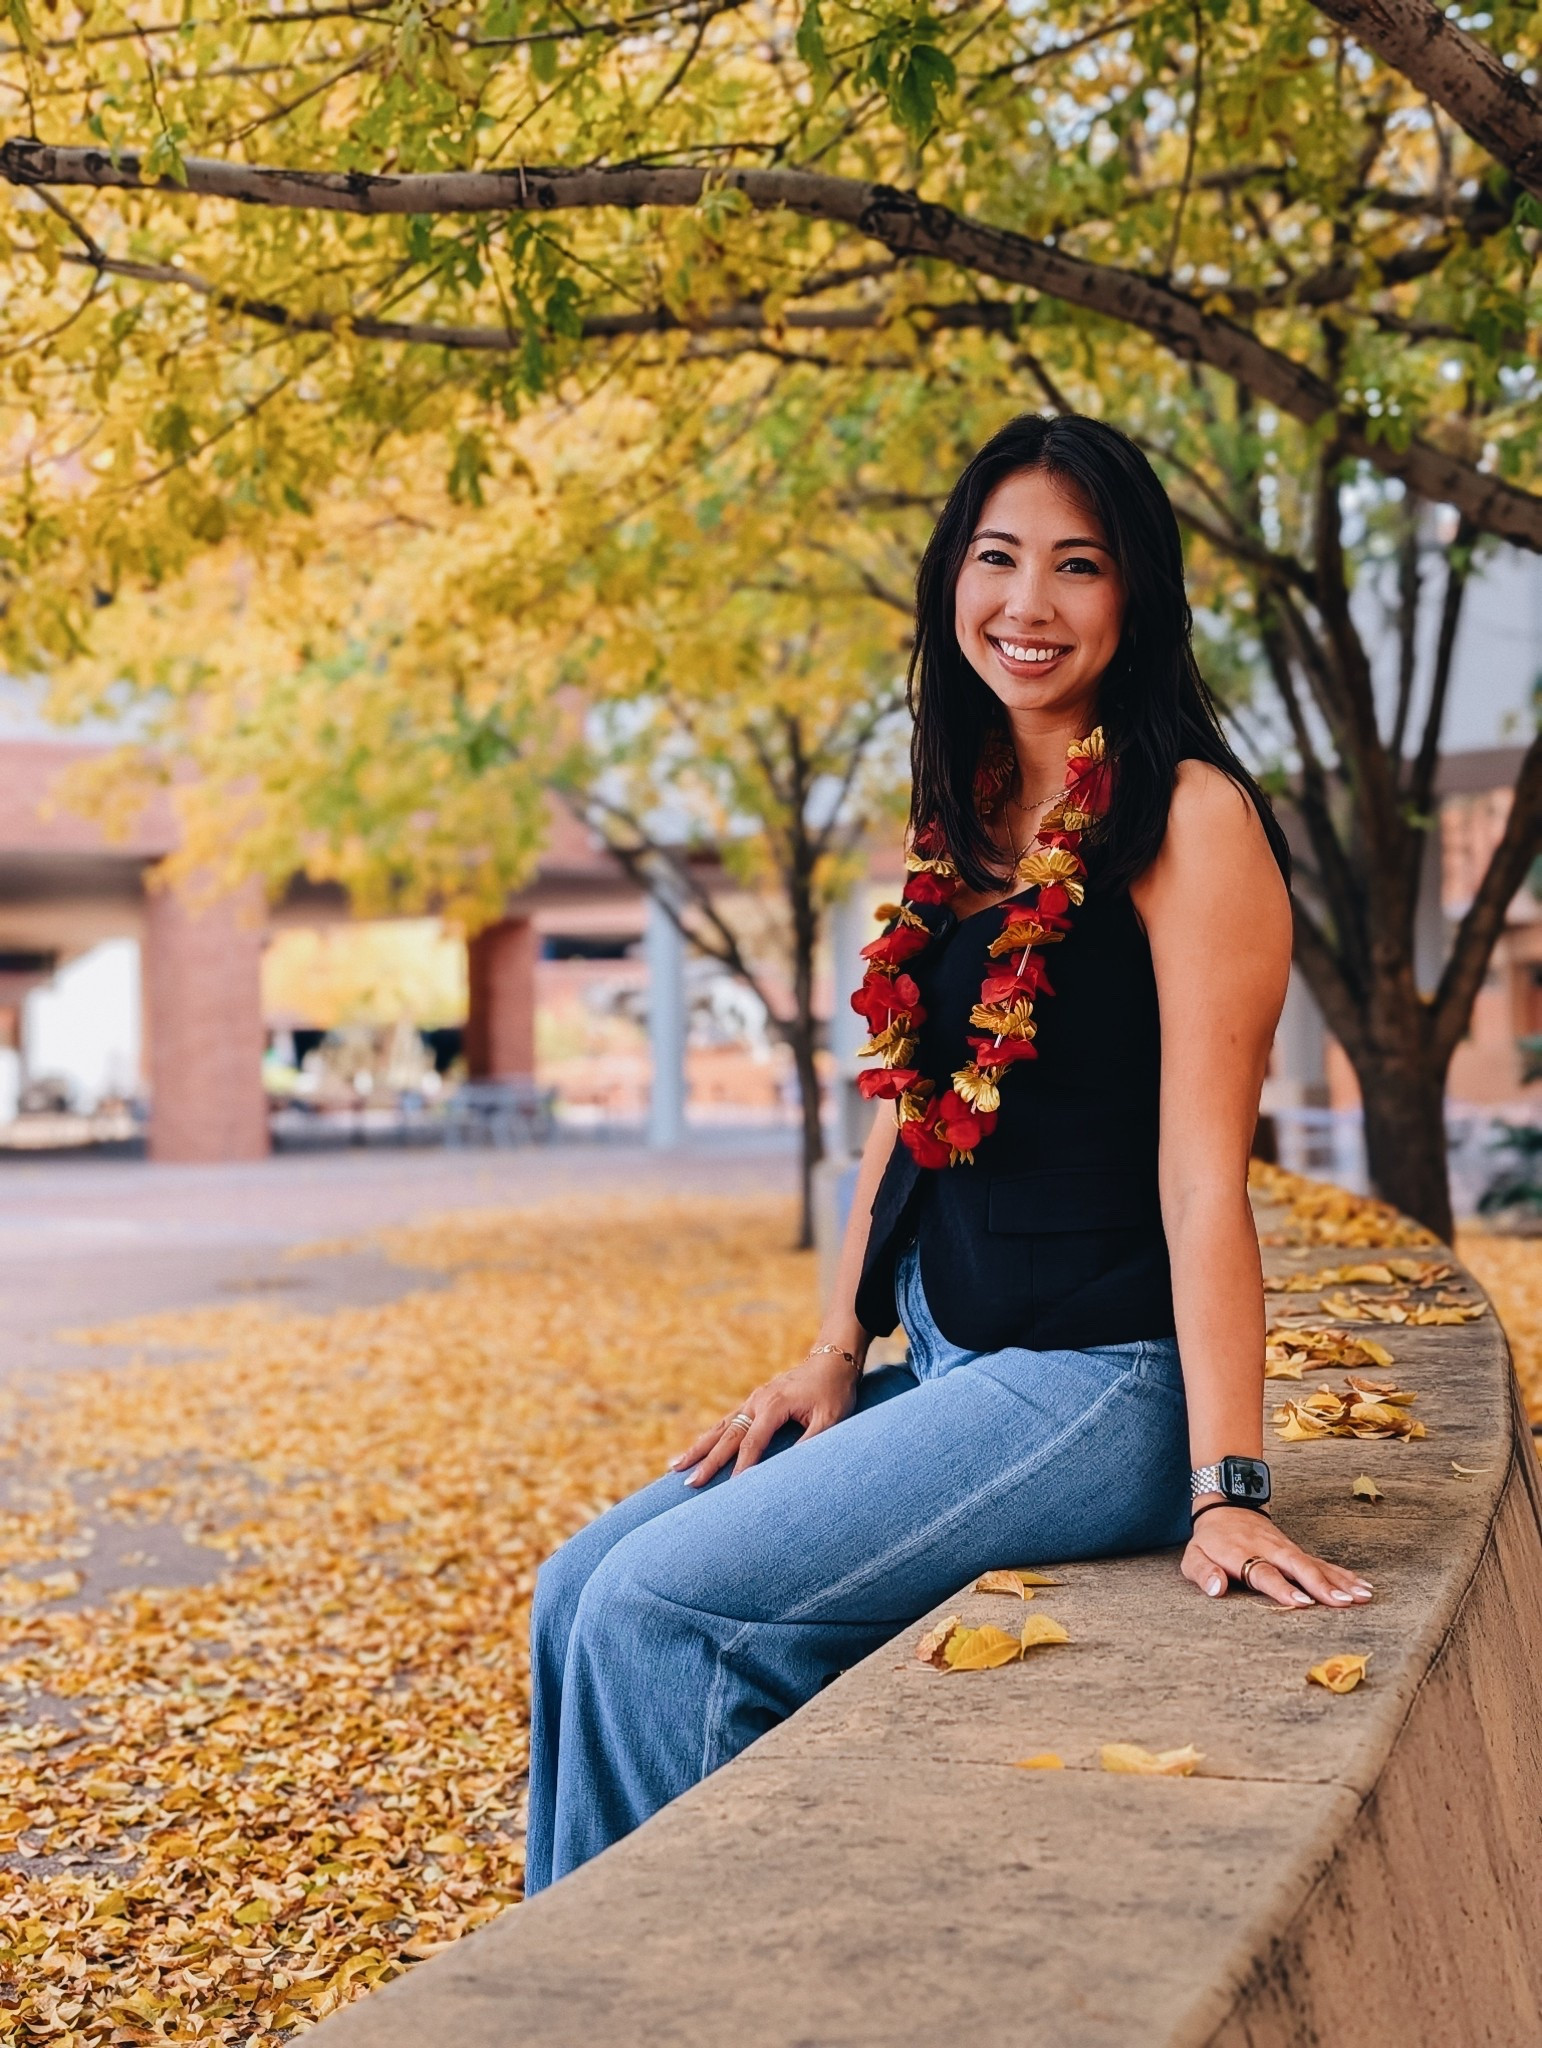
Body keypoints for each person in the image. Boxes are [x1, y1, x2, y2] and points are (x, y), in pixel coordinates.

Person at [524, 412, 1374, 1896]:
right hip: (949, 1360)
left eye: (1075, 567)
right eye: (995, 560)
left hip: (1101, 1377)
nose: (1026, 605)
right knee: (572, 1591)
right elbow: (902, 1119)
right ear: (950, 584)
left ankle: (683, 1991)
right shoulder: (964, 817)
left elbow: (1200, 1178)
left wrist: (1226, 1481)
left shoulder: (1189, 819)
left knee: (662, 1614)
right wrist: (831, 1345)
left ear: (1136, 598)